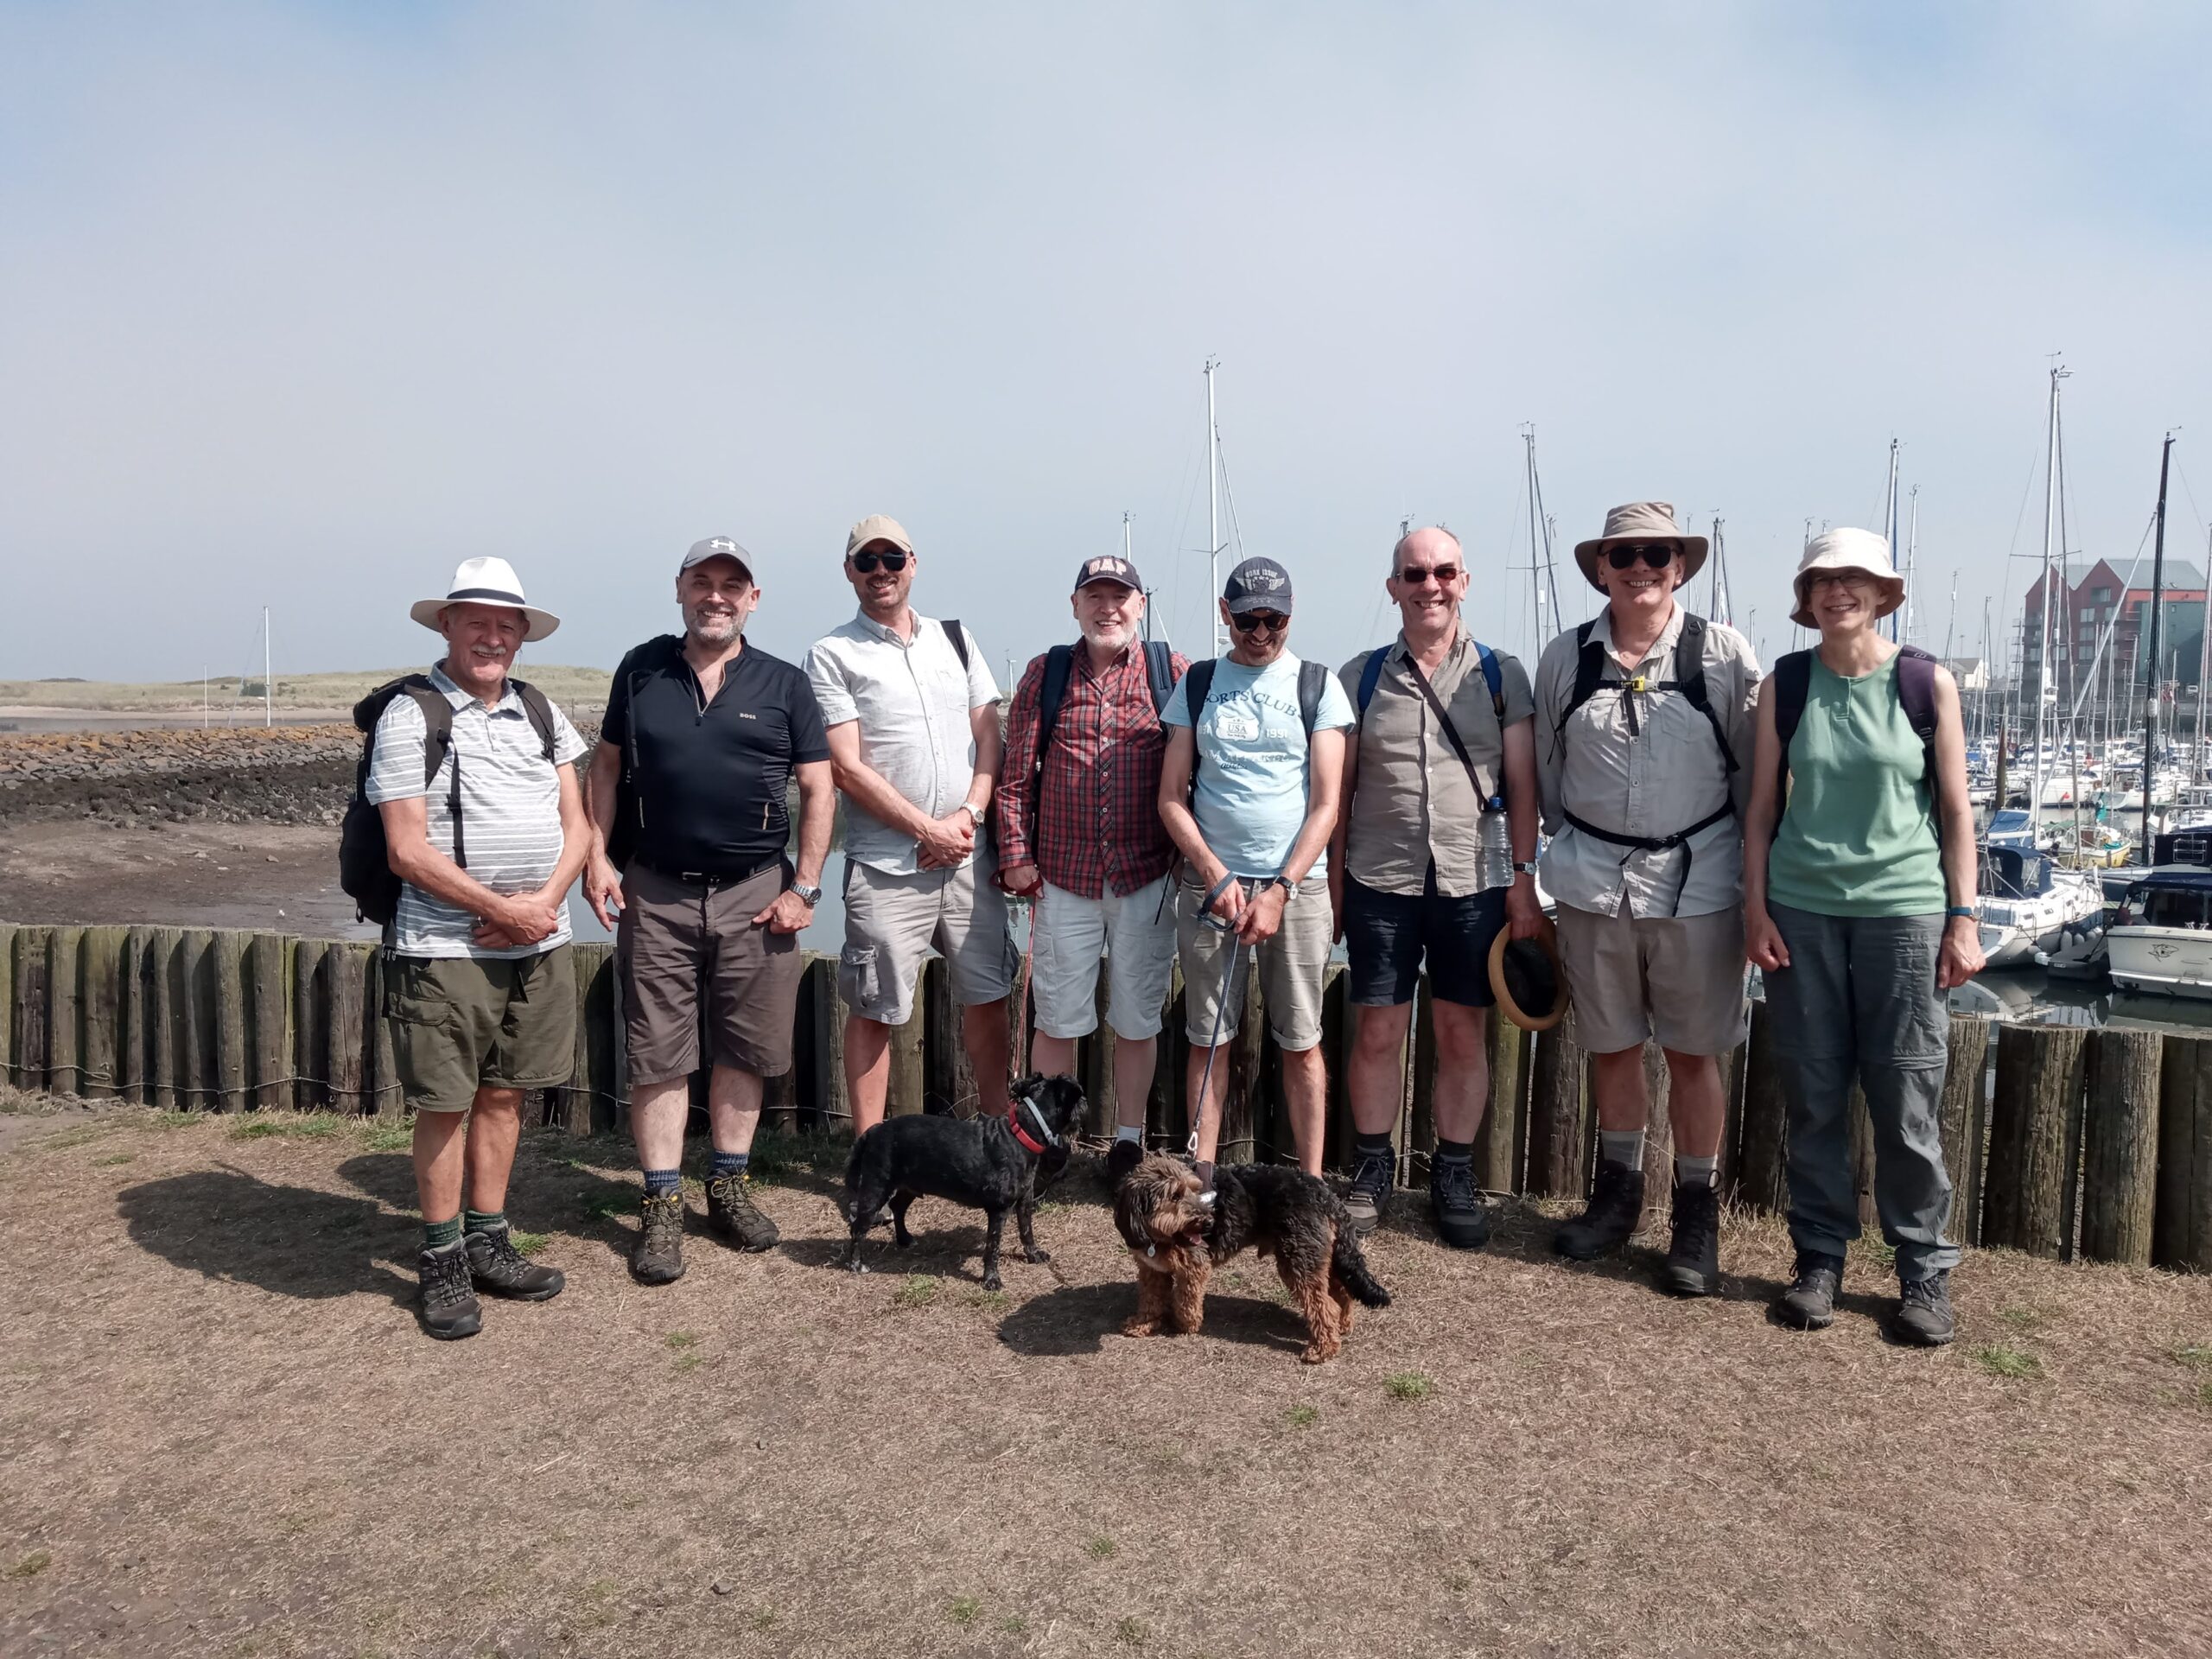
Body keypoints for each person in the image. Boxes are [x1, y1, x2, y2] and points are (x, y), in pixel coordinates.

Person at [1743, 528, 1981, 1345]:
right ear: (1806, 599)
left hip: (1905, 913)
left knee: (1907, 1097)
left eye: (1855, 579)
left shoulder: (1924, 682)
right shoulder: (1788, 683)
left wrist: (1964, 916)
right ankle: (1819, 1259)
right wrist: (1755, 907)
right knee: (1812, 1095)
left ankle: (1922, 1271)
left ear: (1883, 593)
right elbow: (1762, 812)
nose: (1838, 591)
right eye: (1823, 580)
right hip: (1801, 909)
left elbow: (1955, 810)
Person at [584, 537, 835, 1285]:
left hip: (757, 891)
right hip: (654, 890)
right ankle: (661, 1202)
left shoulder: (785, 684)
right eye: (703, 582)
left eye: (733, 585)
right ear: (680, 589)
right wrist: (597, 857)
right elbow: (606, 766)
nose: (716, 595)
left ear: (753, 599)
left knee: (744, 1046)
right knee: (657, 1052)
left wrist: (807, 888)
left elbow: (820, 790)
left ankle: (726, 1182)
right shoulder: (641, 669)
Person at [1535, 502, 1758, 1297]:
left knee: (1696, 1053)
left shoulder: (1723, 654)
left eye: (1657, 555)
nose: (1641, 568)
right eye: (1624, 555)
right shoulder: (1566, 657)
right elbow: (1550, 776)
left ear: (1681, 566)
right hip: (1594, 881)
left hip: (1699, 882)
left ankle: (1695, 1211)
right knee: (1612, 1045)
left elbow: (1752, 774)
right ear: (1601, 567)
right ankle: (1618, 1194)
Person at [367, 556, 590, 1339]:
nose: (492, 638)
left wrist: (543, 907)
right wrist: (503, 909)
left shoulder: (538, 711)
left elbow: (580, 825)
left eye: (507, 625)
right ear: (447, 627)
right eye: (477, 623)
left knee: (506, 1094)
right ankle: (442, 1259)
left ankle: (491, 1241)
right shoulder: (411, 714)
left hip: (537, 939)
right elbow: (406, 849)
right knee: (446, 1104)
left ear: (522, 636)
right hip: (443, 948)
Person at [1332, 527, 1544, 1248]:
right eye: (1415, 573)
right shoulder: (1359, 676)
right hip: (1379, 879)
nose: (1431, 585)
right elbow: (1340, 792)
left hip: (1474, 881)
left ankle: (1454, 1172)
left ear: (1465, 579)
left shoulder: (1500, 674)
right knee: (1378, 1032)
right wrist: (1333, 886)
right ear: (1393, 586)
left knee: (1461, 1032)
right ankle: (1370, 1168)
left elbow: (1523, 786)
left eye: (1443, 571)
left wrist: (1524, 881)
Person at [805, 515, 1015, 1135]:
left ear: (912, 564)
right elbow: (845, 766)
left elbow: (988, 736)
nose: (880, 573)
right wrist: (927, 830)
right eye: (866, 562)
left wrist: (967, 818)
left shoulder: (956, 638)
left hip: (968, 856)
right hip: (886, 864)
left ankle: (1001, 1134)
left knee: (990, 993)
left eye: (891, 560)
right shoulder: (831, 654)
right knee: (875, 1008)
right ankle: (871, 1152)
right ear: (849, 572)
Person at [995, 553, 1190, 1185]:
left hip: (1146, 877)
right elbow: (1014, 779)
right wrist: (1017, 857)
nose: (1108, 608)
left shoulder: (1174, 673)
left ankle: (1129, 1141)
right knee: (1057, 1017)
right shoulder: (1044, 674)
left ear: (1140, 604)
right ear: (1075, 605)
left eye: (1120, 597)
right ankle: (1048, 1140)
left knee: (1137, 1016)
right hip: (1063, 879)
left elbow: (1197, 776)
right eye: (1095, 597)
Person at [1159, 556, 1353, 1185]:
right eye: (1248, 619)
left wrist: (1280, 889)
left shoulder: (1318, 686)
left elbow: (1327, 804)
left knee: (1300, 1039)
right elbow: (1170, 797)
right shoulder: (1197, 685)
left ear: (1290, 617)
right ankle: (1201, 1183)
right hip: (1211, 891)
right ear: (1226, 614)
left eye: (1273, 620)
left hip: (1296, 891)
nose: (1260, 631)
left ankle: (1312, 1186)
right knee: (1208, 1040)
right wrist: (1215, 874)